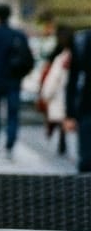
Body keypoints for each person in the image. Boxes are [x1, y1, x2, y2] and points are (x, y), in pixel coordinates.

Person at [0, 3, 33, 158]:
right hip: (13, 79)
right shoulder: (18, 35)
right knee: (13, 113)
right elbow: (28, 58)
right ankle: (10, 142)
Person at [38, 26, 74, 156]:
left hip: (60, 95)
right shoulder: (75, 55)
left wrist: (45, 94)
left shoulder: (61, 57)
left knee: (62, 118)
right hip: (70, 95)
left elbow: (52, 79)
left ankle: (61, 139)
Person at [66, 27, 91, 173]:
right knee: (87, 162)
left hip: (86, 109)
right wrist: (70, 114)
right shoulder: (82, 40)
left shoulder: (81, 40)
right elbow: (73, 80)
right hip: (87, 109)